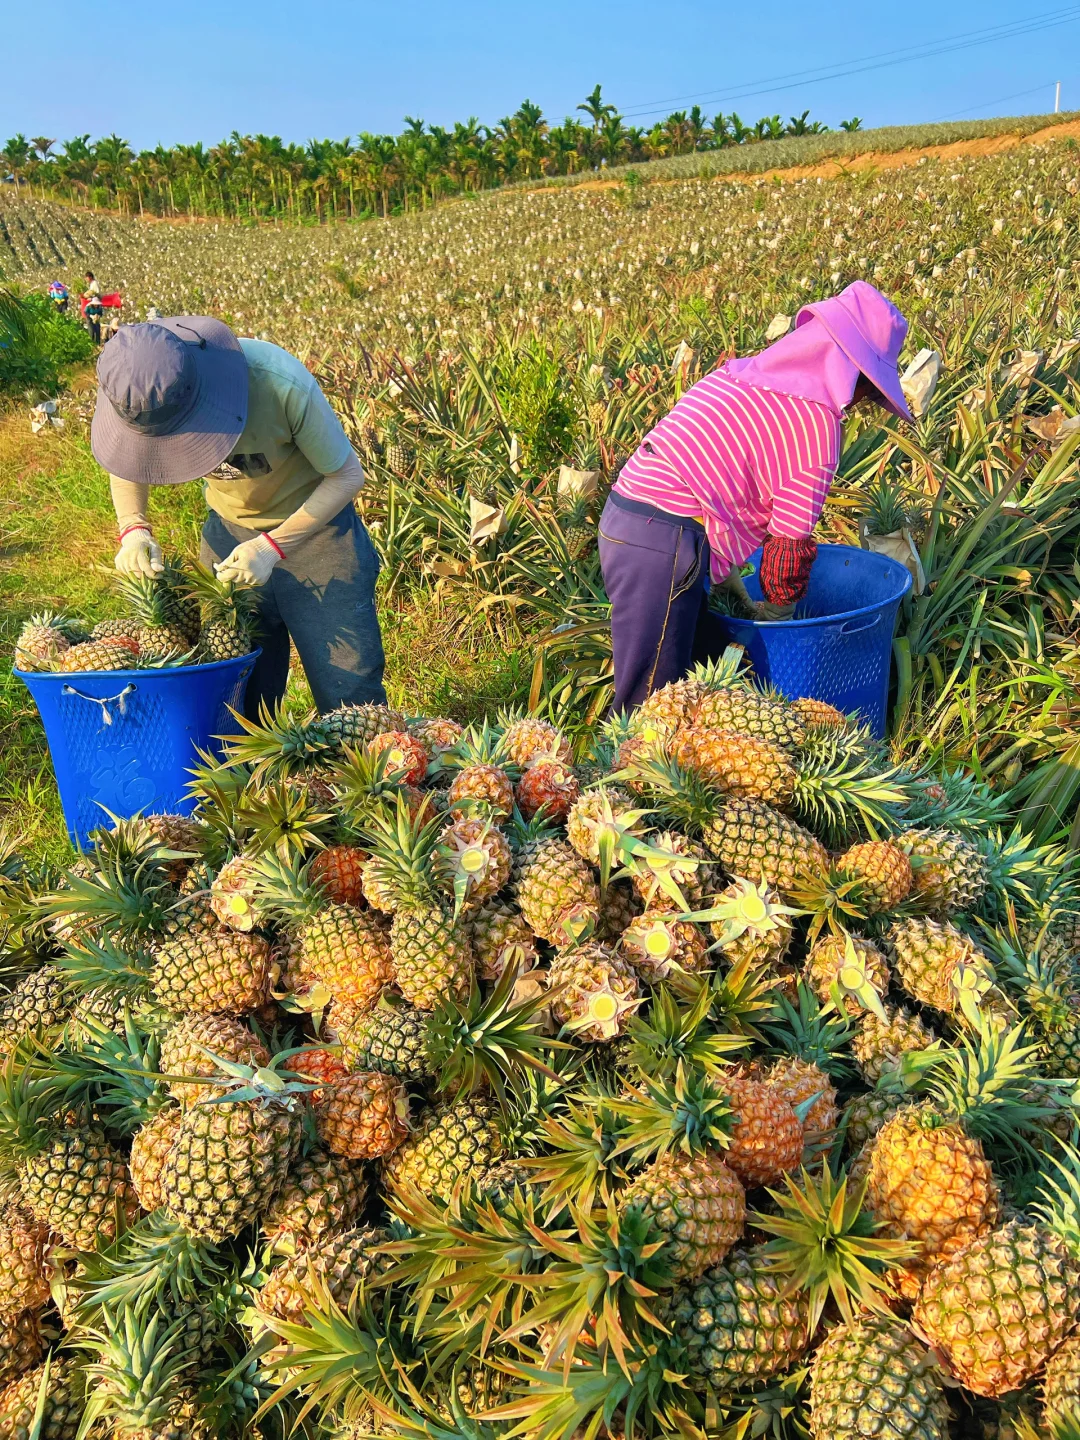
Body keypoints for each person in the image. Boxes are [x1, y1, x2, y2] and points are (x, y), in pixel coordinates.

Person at [598, 280, 913, 715]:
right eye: (869, 386)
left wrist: (727, 578)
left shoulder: (741, 374)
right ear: (852, 371)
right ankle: (617, 779)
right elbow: (787, 552)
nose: (863, 401)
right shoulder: (817, 427)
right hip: (667, 542)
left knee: (697, 677)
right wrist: (778, 622)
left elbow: (709, 473)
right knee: (649, 707)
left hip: (627, 518)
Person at [90, 315, 386, 720]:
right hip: (228, 533)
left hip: (318, 532)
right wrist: (134, 528)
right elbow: (125, 457)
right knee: (237, 690)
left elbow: (347, 475)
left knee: (349, 692)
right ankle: (258, 779)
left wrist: (273, 546)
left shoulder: (278, 383)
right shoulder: (133, 392)